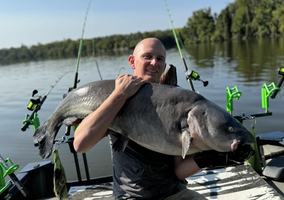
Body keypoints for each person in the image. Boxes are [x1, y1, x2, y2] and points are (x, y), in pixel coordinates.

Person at [73, 38, 252, 199]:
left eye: (160, 59)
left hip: (175, 193)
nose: (154, 63)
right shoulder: (117, 98)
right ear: (132, 61)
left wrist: (213, 156)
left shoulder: (180, 104)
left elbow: (179, 172)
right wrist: (120, 94)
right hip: (132, 197)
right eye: (147, 56)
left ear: (165, 65)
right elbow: (80, 144)